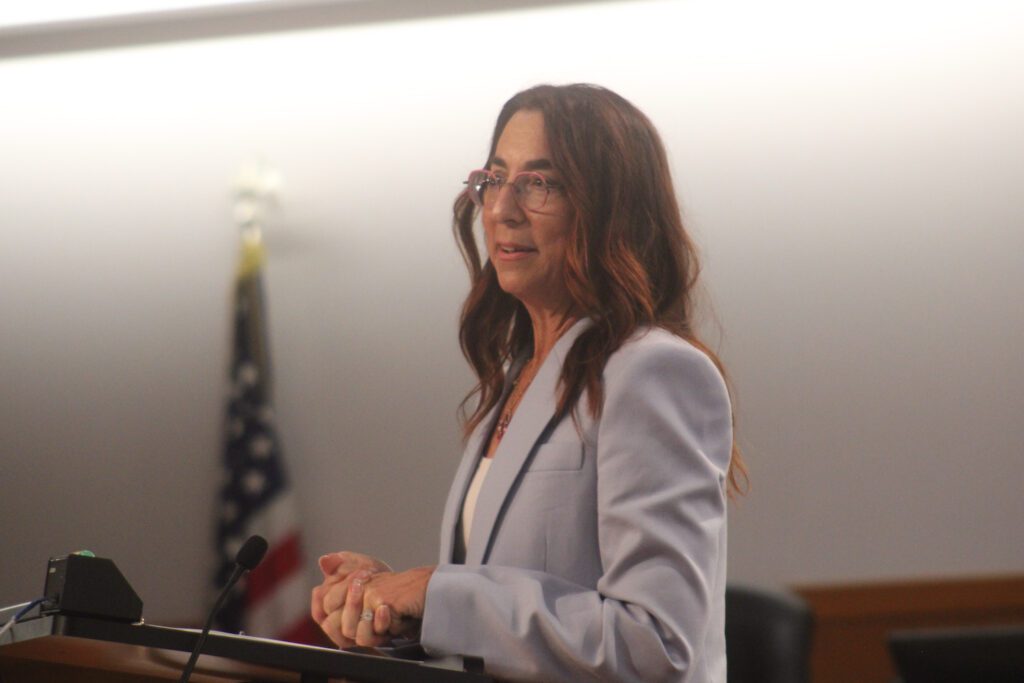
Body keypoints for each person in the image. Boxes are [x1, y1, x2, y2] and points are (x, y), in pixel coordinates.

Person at [311, 83, 746, 683]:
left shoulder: (652, 370)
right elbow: (511, 633)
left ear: (610, 208)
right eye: (494, 178)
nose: (501, 209)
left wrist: (441, 593)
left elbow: (657, 645)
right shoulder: (519, 377)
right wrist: (398, 609)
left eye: (539, 183)